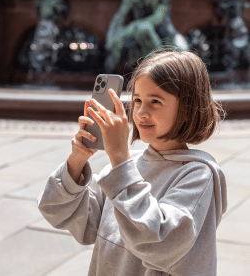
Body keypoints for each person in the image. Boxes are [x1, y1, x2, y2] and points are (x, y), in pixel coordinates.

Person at [38, 50, 227, 276]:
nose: (141, 112)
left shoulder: (198, 175)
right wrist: (76, 162)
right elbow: (58, 212)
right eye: (137, 100)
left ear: (187, 108)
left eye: (155, 101)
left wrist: (120, 158)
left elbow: (158, 244)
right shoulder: (126, 168)